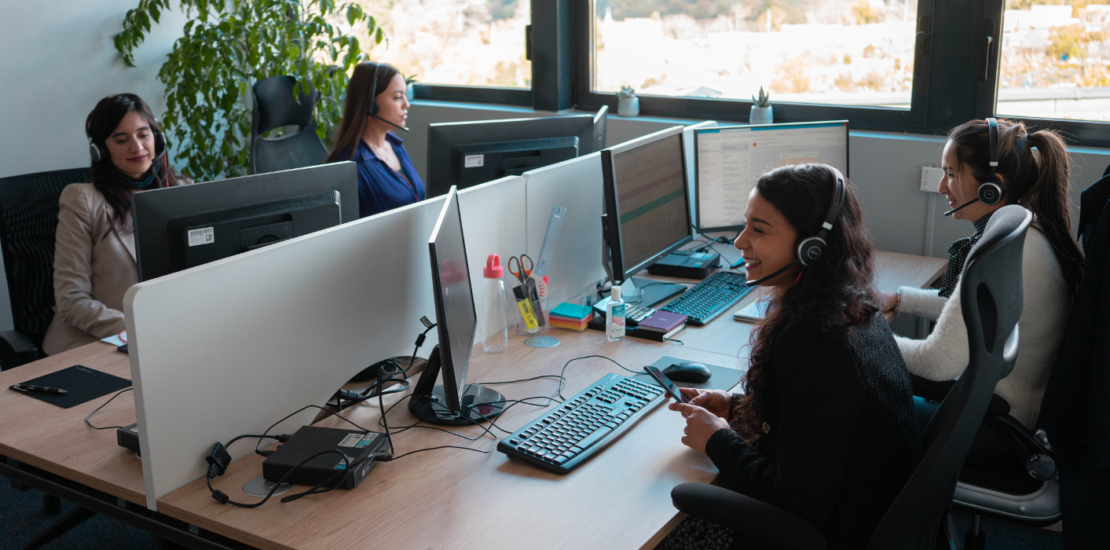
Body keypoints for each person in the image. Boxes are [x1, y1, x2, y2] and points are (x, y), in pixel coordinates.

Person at [665, 164, 922, 550]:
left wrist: (716, 440)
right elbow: (821, 422)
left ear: (811, 246)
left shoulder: (816, 344)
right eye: (745, 224)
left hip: (831, 535)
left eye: (759, 229)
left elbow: (795, 499)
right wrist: (738, 407)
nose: (739, 242)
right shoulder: (853, 307)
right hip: (865, 516)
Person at [879, 119, 1083, 434]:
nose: (942, 187)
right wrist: (899, 299)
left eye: (951, 174)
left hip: (992, 424)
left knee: (855, 399)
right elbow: (976, 309)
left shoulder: (1003, 252)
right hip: (1004, 409)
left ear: (992, 188)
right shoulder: (1026, 232)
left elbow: (937, 363)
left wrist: (863, 338)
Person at [43, 94, 186, 355]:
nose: (137, 147)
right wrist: (143, 329)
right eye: (121, 140)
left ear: (158, 139)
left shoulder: (183, 192)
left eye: (144, 135)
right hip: (100, 344)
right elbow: (71, 301)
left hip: (171, 339)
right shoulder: (82, 200)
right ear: (100, 150)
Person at [326, 62, 425, 218]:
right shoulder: (351, 165)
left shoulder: (394, 145)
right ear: (371, 104)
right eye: (398, 97)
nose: (406, 105)